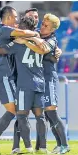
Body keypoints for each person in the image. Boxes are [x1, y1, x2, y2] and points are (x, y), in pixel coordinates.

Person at [0, 15, 48, 154]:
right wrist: (36, 37)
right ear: (7, 17)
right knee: (26, 113)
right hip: (25, 81)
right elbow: (45, 50)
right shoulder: (36, 40)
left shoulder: (12, 39)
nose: (16, 24)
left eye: (19, 24)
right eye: (14, 18)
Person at [20, 13, 70, 154]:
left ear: (53, 29)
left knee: (51, 113)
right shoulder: (37, 34)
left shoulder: (52, 40)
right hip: (40, 80)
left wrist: (28, 41)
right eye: (42, 23)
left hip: (49, 80)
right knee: (47, 115)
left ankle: (65, 145)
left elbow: (43, 50)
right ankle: (59, 145)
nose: (42, 27)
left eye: (46, 26)